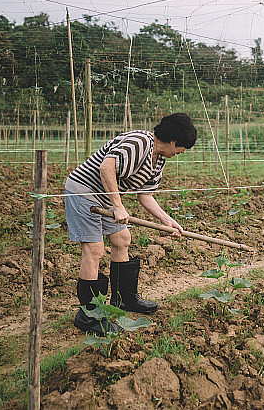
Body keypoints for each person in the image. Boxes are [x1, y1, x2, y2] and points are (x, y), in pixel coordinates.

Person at [64, 112, 197, 335]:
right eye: (183, 147)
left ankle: (123, 298)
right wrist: (118, 206)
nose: (182, 152)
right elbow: (106, 168)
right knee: (94, 251)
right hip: (83, 192)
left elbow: (145, 195)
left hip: (105, 196)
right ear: (174, 141)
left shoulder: (159, 159)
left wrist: (168, 221)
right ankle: (88, 315)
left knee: (122, 239)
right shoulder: (139, 142)